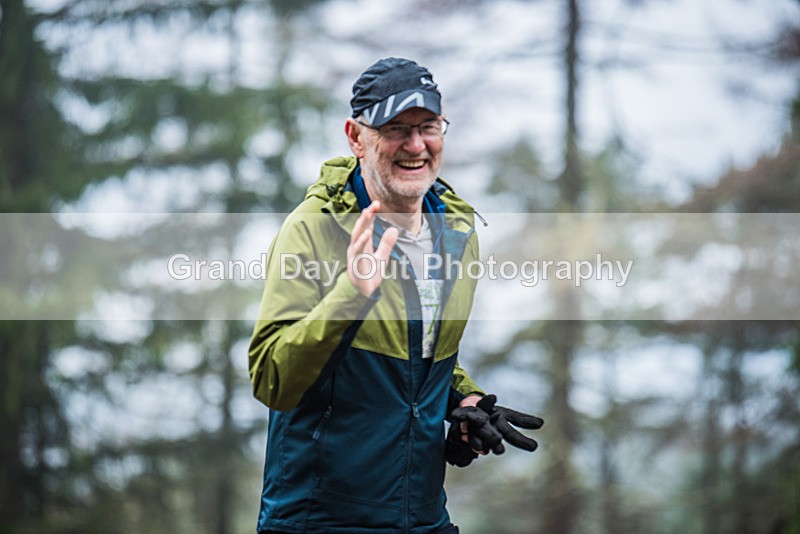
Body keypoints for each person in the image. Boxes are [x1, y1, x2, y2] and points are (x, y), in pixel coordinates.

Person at [248, 57, 543, 534]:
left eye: (428, 126)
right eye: (394, 128)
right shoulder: (315, 227)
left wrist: (463, 401)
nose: (415, 145)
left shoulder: (457, 229)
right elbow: (272, 381)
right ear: (355, 136)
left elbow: (416, 353)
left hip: (424, 517)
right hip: (320, 520)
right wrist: (351, 294)